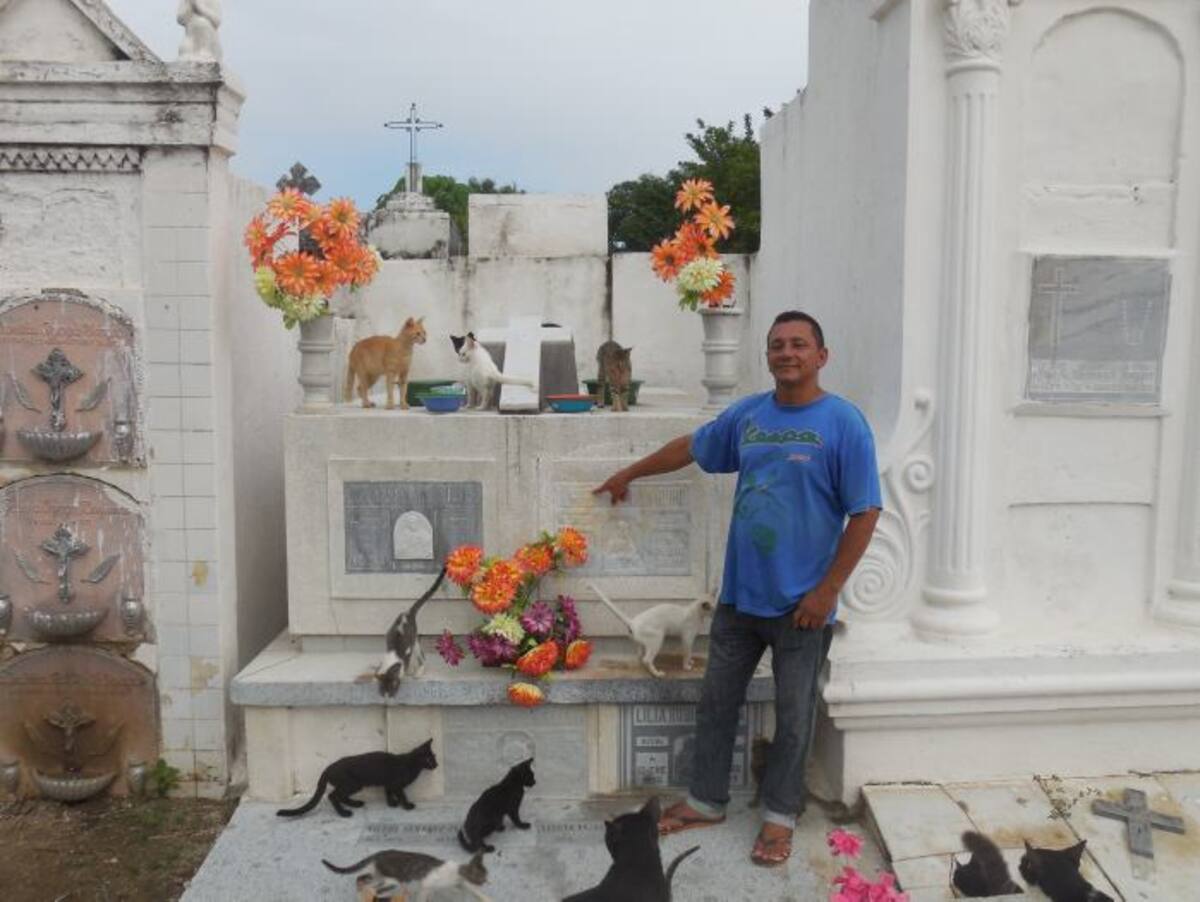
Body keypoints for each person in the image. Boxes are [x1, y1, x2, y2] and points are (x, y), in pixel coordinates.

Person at [592, 310, 881, 867]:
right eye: (777, 345)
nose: (787, 353)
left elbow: (865, 513)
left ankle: (778, 817)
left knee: (795, 717)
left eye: (799, 344)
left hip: (802, 605)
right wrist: (630, 473)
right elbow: (690, 447)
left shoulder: (844, 423)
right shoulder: (750, 416)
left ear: (822, 356)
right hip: (738, 599)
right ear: (767, 356)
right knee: (716, 704)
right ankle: (706, 800)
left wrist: (827, 592)